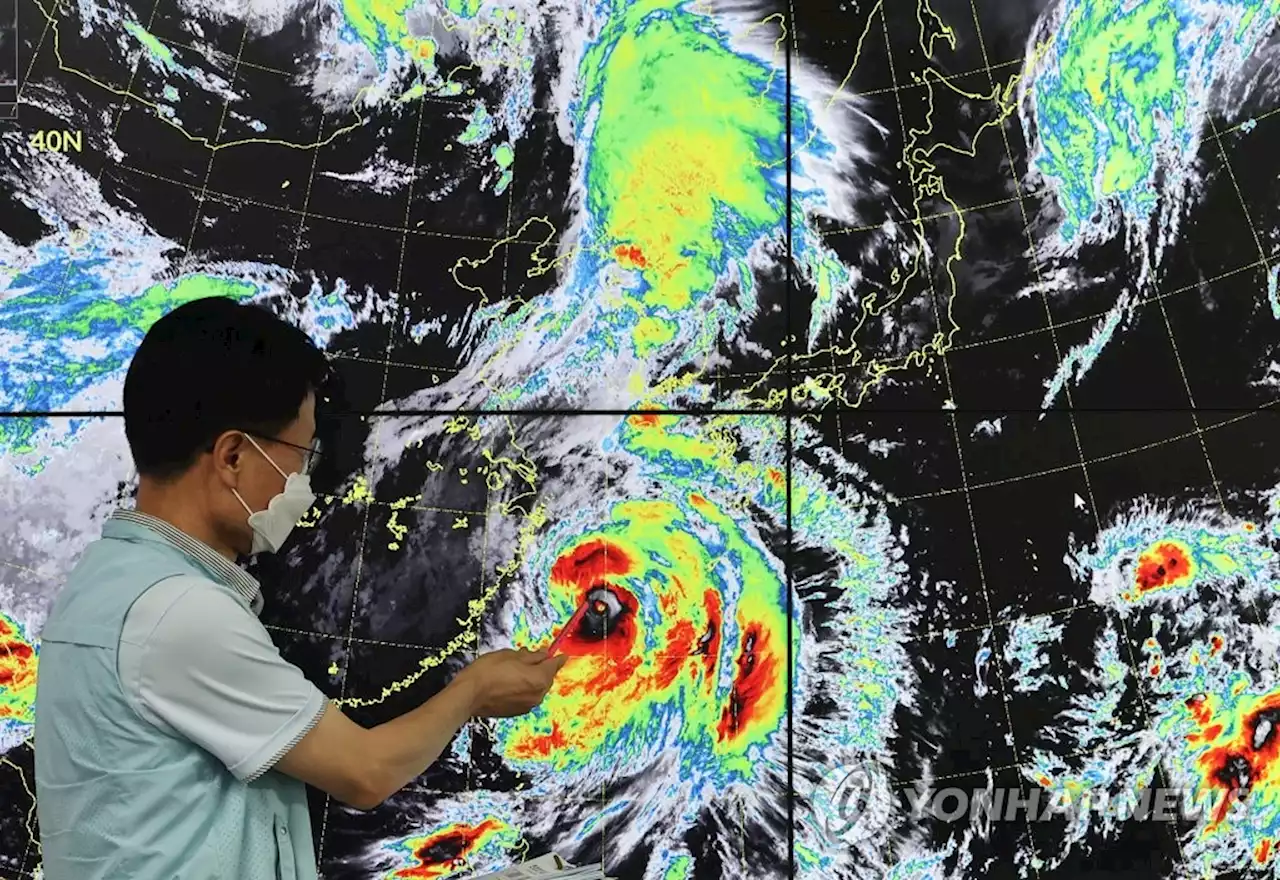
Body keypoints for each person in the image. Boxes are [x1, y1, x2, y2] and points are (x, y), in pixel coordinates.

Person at [33, 296, 568, 880]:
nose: (303, 484)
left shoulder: (108, 583)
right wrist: (474, 691)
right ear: (233, 457)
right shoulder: (177, 612)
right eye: (300, 457)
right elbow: (365, 771)